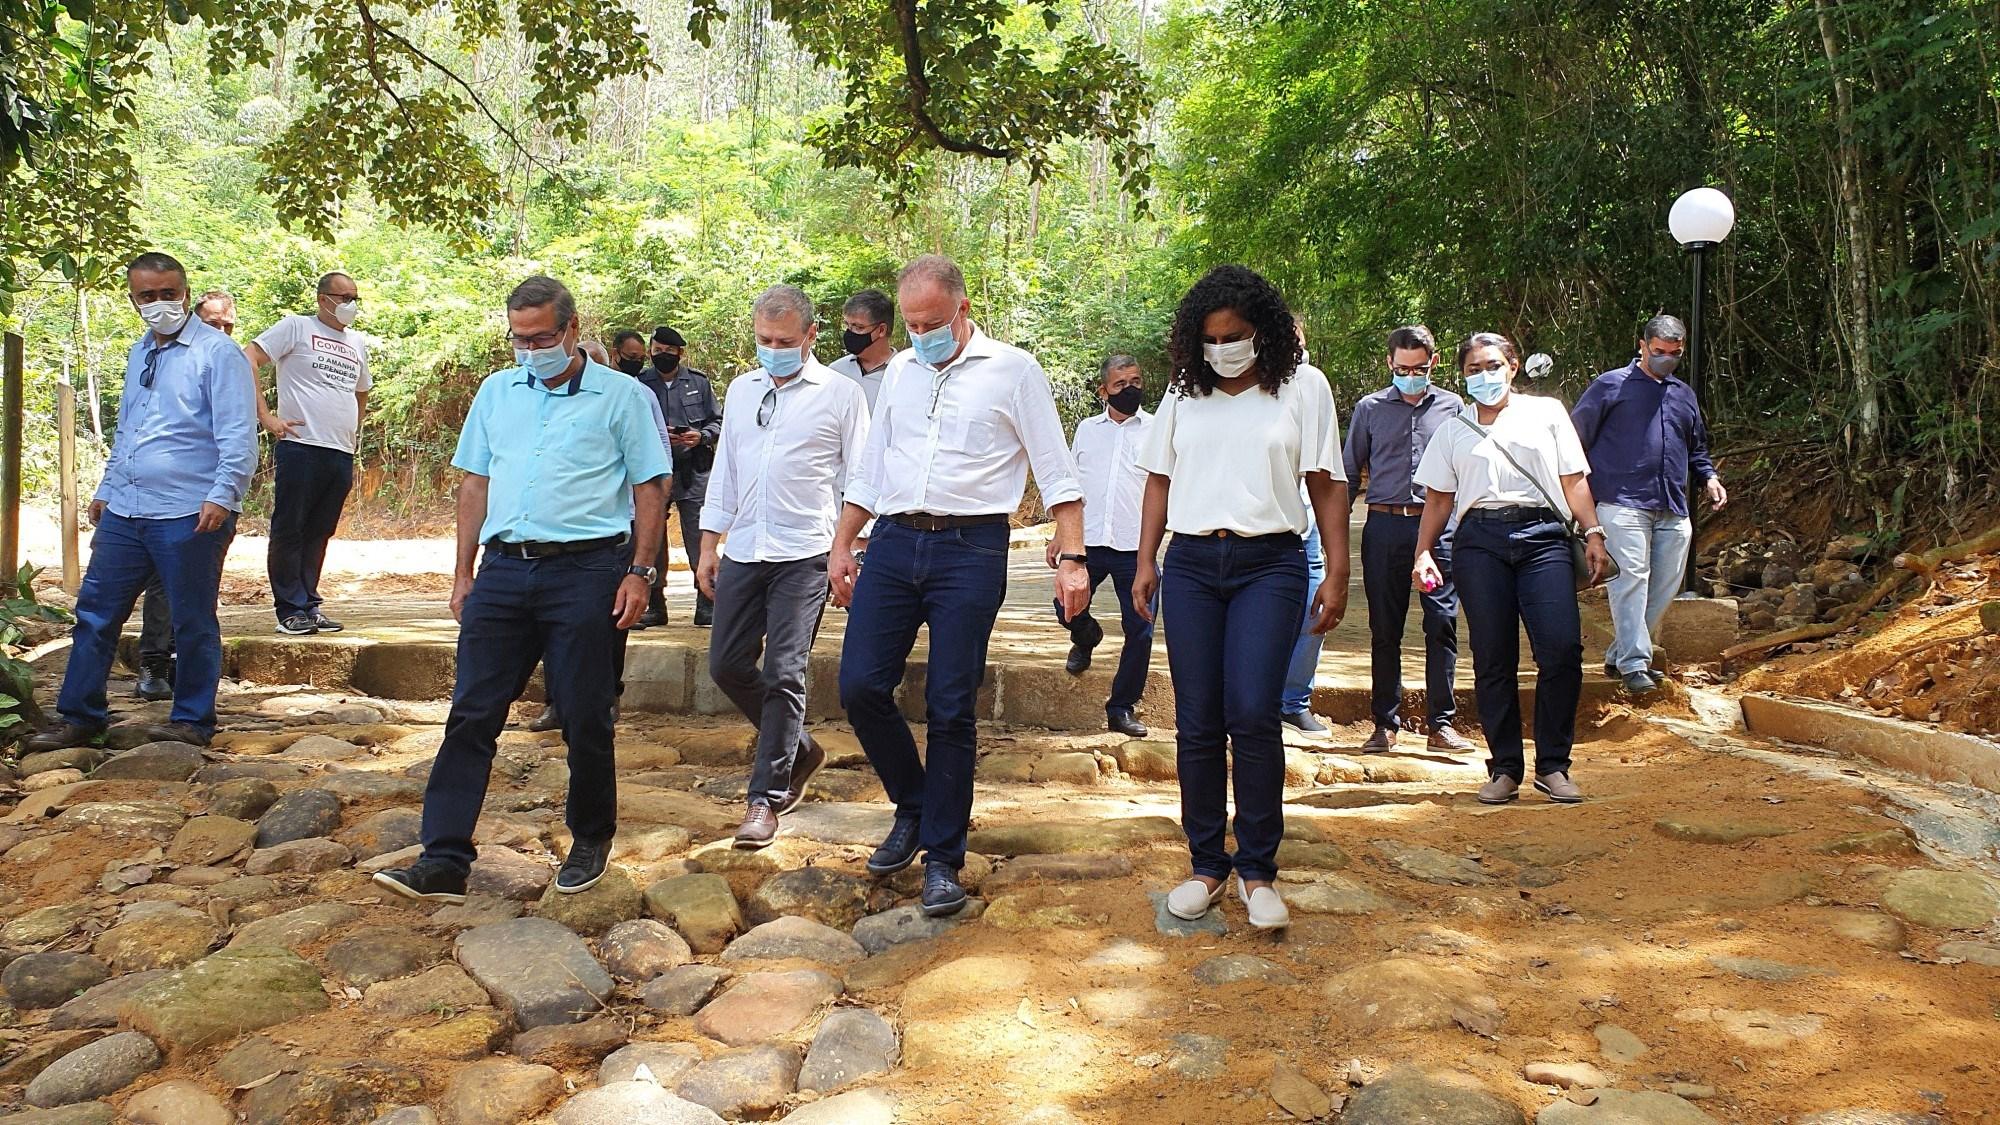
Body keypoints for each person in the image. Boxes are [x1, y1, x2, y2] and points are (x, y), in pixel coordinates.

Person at [374, 277, 670, 904]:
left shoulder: (623, 397)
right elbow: (474, 484)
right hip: (505, 572)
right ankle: (443, 858)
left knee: (584, 712)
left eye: (540, 337)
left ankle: (589, 838)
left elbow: (650, 486)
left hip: (588, 572)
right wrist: (463, 573)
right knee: (472, 712)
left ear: (571, 328)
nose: (529, 349)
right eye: (518, 338)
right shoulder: (497, 391)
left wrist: (641, 572)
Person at [831, 254, 1088, 918]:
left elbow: (1056, 467)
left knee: (951, 703)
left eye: (932, 322)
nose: (921, 335)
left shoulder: (1013, 371)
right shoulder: (901, 374)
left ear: (964, 309)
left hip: (971, 547)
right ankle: (913, 804)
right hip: (891, 539)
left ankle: (943, 857)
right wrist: (842, 541)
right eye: (911, 324)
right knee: (859, 683)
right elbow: (870, 462)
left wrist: (1073, 555)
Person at [1132, 264, 1349, 933]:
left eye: (1236, 335)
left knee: (1253, 711)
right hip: (1193, 562)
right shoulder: (1184, 389)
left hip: (1270, 564)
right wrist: (1145, 558)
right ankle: (1205, 864)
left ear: (1267, 332)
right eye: (1210, 338)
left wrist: (1337, 570)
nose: (1223, 347)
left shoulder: (1303, 387)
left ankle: (1257, 869)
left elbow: (1327, 483)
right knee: (1198, 718)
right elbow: (1160, 476)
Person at [25, 253, 257, 753]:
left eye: (168, 293)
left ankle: (193, 719)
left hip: (190, 511)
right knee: (95, 614)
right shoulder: (139, 353)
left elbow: (239, 433)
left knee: (191, 619)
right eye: (147, 296)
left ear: (186, 294)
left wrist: (223, 495)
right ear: (133, 300)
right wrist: (107, 489)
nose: (159, 304)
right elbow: (129, 427)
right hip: (127, 511)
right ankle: (81, 716)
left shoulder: (218, 354)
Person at [697, 285, 871, 848]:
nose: (773, 349)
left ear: (811, 336)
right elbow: (725, 470)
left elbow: (861, 476)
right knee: (725, 664)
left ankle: (765, 798)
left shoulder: (840, 395)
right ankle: (801, 750)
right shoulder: (743, 389)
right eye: (764, 340)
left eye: (785, 341)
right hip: (747, 546)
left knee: (785, 671)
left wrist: (850, 547)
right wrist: (708, 543)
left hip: (808, 550)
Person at [1412, 332, 1609, 806]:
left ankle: (1554, 765)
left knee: (1561, 648)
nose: (1484, 375)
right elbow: (1439, 498)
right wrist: (1423, 552)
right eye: (1474, 369)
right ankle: (1504, 767)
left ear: (1513, 365)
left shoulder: (1547, 414)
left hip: (1543, 537)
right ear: (1461, 376)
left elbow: (1572, 479)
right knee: (1493, 656)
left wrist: (1594, 532)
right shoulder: (1454, 429)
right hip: (1479, 542)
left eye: (1492, 364)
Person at [524, 329, 677, 734]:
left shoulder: (632, 395)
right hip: (566, 529)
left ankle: (607, 697)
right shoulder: (541, 396)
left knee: (611, 618)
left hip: (620, 523)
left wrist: (653, 511)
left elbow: (659, 456)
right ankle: (556, 702)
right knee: (554, 622)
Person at [1571, 314, 1727, 694]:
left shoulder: (1683, 394)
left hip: (1672, 504)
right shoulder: (1610, 386)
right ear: (1642, 345)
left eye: (1674, 354)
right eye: (1659, 352)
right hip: (1621, 502)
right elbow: (1573, 441)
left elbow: (1697, 447)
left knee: (1666, 583)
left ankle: (1619, 653)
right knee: (1630, 581)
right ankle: (1635, 664)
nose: (1666, 359)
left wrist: (1709, 477)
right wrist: (1580, 500)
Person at [1339, 324, 1473, 753]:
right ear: (1389, 363)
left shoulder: (1455, 409)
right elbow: (1347, 472)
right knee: (1385, 629)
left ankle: (1442, 725)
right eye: (1401, 367)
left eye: (1418, 368)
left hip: (1439, 531)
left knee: (1441, 624)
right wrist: (1335, 535)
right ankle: (1385, 723)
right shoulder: (1370, 408)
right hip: (1384, 528)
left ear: (1432, 363)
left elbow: (1466, 471)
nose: (1410, 374)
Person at [245, 271, 370, 636]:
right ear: (322, 299)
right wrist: (266, 415)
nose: (349, 304)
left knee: (320, 530)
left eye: (354, 298)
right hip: (301, 444)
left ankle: (309, 603)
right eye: (342, 297)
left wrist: (353, 427)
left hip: (340, 449)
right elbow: (249, 357)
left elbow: (362, 390)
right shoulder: (296, 327)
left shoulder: (357, 342)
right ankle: (289, 608)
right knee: (291, 527)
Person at [132, 288, 241, 702]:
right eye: (214, 324)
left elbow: (238, 435)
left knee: (199, 590)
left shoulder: (230, 362)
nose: (222, 331)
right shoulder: (161, 358)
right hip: (161, 498)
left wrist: (225, 493)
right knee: (160, 583)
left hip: (212, 498)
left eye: (228, 325)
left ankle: (190, 691)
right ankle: (153, 663)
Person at [1058, 354, 1156, 738]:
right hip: (1088, 542)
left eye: (1136, 381)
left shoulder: (1157, 429)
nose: (1130, 389)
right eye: (1120, 384)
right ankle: (1086, 636)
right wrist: (1060, 537)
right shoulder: (1087, 430)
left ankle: (1121, 707)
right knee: (1064, 605)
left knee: (1141, 627)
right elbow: (1071, 486)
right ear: (1103, 391)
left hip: (1136, 547)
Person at [641, 326, 722, 628]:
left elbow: (717, 420)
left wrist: (699, 436)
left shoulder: (698, 383)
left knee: (698, 536)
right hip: (653, 472)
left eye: (668, 351)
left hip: (693, 469)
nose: (662, 355)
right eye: (657, 350)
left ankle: (706, 602)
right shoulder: (640, 383)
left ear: (680, 353)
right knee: (652, 537)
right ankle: (654, 603)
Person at [1278, 321, 1335, 736]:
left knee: (1313, 616)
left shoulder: (1313, 385)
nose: (1294, 349)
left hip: (1307, 524)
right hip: (1268, 526)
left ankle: (1293, 701)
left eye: (1298, 341)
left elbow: (1325, 471)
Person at [827, 288, 895, 411]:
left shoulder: (901, 374)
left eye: (858, 327)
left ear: (881, 330)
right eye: (847, 325)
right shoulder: (835, 371)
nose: (850, 333)